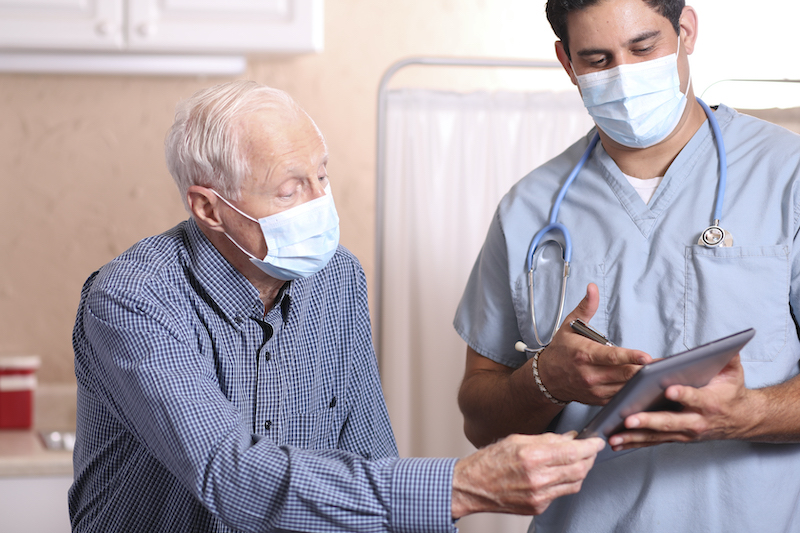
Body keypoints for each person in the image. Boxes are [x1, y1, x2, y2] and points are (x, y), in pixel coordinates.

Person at [68, 80, 604, 532]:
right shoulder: (133, 300)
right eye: (289, 190)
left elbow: (370, 452)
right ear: (209, 207)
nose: (319, 203)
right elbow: (229, 476)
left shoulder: (337, 278)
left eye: (321, 175)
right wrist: (462, 484)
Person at [454, 0, 800, 531]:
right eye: (597, 59)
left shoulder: (785, 176)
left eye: (644, 48)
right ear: (567, 64)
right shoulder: (528, 209)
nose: (625, 75)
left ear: (685, 31)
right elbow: (479, 419)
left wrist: (748, 412)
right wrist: (546, 380)